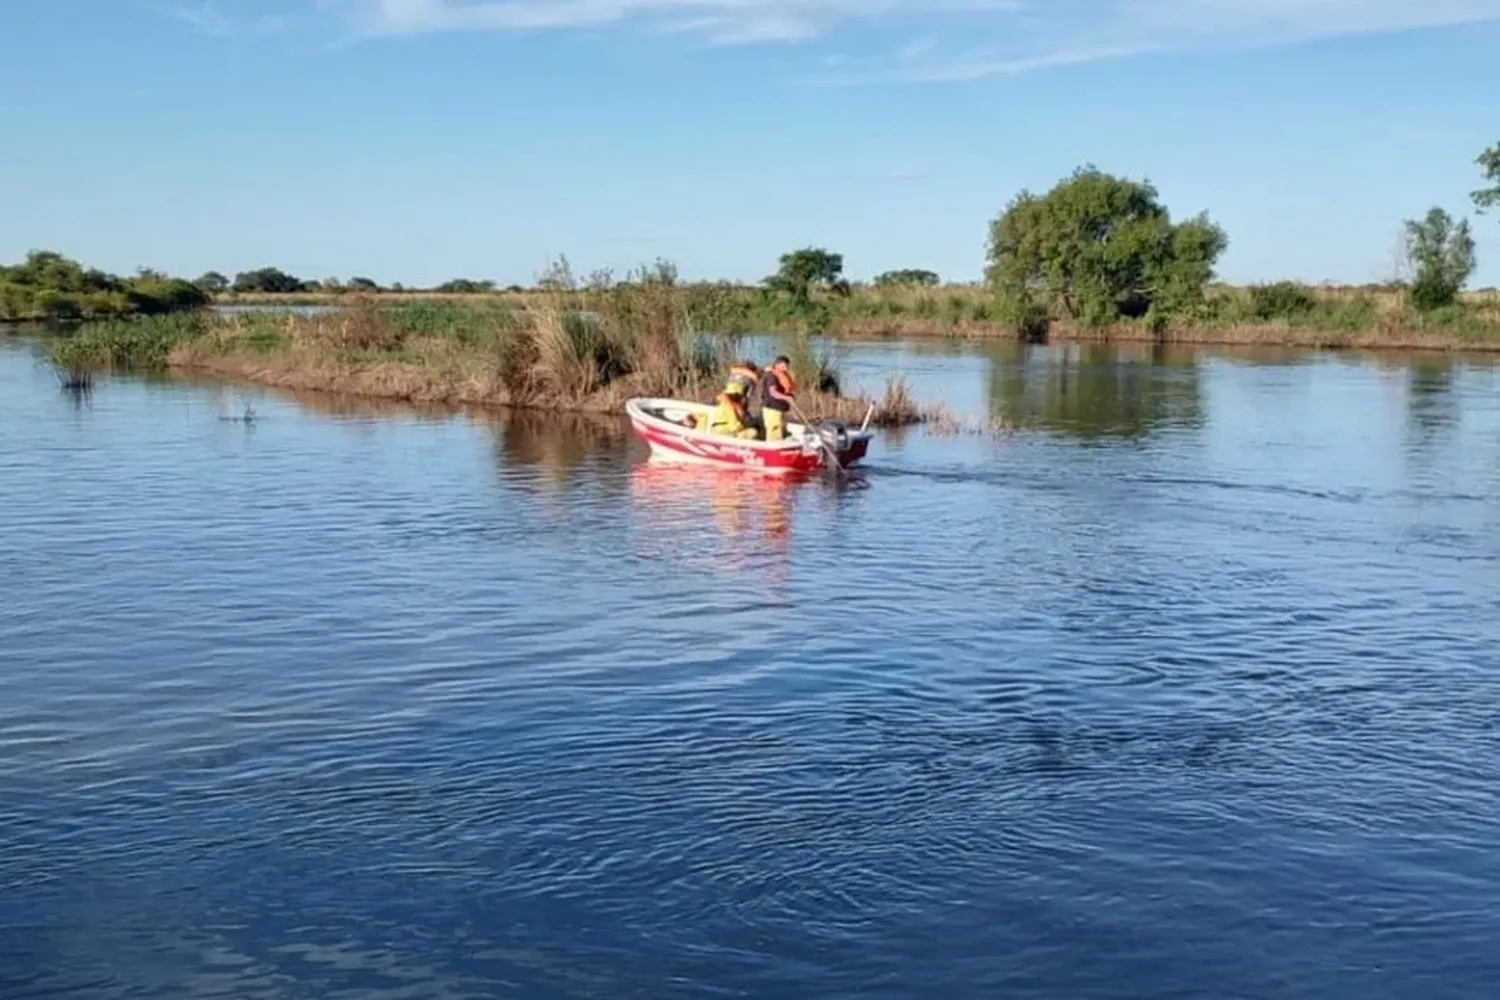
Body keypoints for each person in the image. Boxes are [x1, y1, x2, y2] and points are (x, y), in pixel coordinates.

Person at [708, 360, 761, 438]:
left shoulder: (738, 379)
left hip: (728, 421)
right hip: (730, 422)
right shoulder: (741, 377)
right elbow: (753, 377)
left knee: (752, 429)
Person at [760, 355, 796, 441]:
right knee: (774, 431)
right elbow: (773, 392)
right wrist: (786, 398)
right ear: (778, 364)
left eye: (787, 365)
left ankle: (779, 445)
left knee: (779, 430)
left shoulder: (782, 375)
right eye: (785, 365)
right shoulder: (771, 376)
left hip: (779, 409)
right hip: (772, 408)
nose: (787, 367)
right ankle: (772, 450)